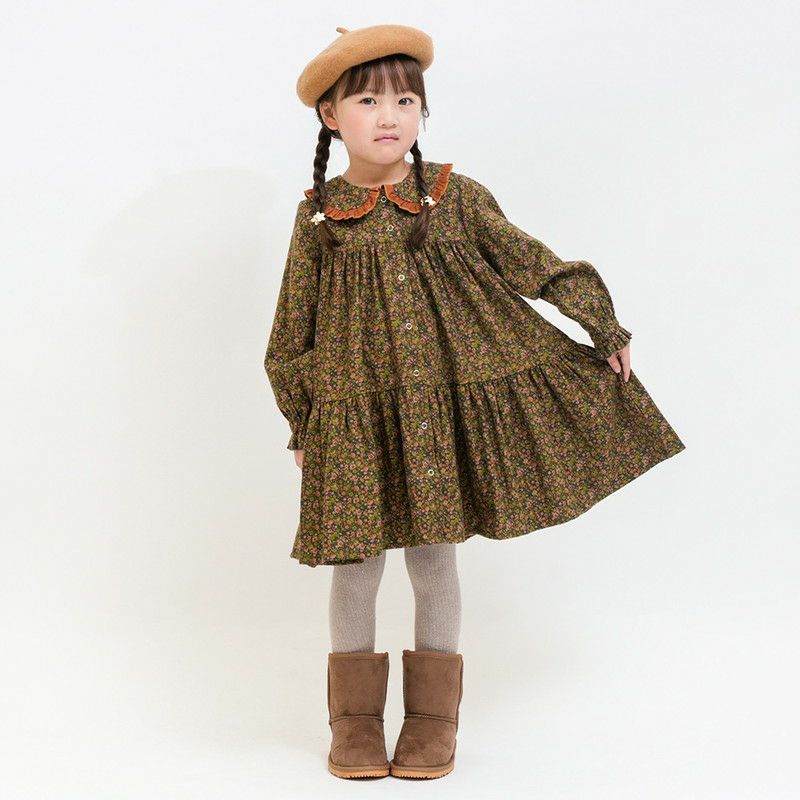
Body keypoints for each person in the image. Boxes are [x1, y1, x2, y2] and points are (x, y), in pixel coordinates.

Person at [263, 24, 686, 780]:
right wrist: (304, 420)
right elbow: (293, 329)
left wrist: (598, 320)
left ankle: (432, 723)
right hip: (355, 415)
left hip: (438, 417)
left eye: (405, 100)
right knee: (355, 566)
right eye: (368, 101)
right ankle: (354, 725)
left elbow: (530, 261)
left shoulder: (454, 198)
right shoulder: (319, 217)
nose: (390, 115)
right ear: (331, 116)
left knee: (434, 562)